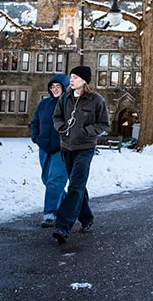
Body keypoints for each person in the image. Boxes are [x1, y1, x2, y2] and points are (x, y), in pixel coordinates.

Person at [51, 65, 110, 245]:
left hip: (85, 149)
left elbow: (104, 124)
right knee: (78, 186)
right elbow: (57, 117)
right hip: (66, 148)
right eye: (71, 77)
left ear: (84, 80)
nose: (72, 80)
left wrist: (87, 131)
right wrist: (61, 128)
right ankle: (86, 218)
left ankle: (63, 226)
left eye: (75, 77)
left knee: (75, 186)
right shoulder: (65, 98)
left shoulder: (96, 100)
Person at [30, 73, 70, 228]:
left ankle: (50, 214)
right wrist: (36, 137)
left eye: (58, 86)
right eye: (52, 87)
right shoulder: (44, 104)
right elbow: (35, 122)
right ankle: (72, 206)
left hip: (62, 149)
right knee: (47, 179)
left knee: (55, 181)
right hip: (44, 148)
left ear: (65, 87)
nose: (55, 89)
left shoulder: (70, 105)